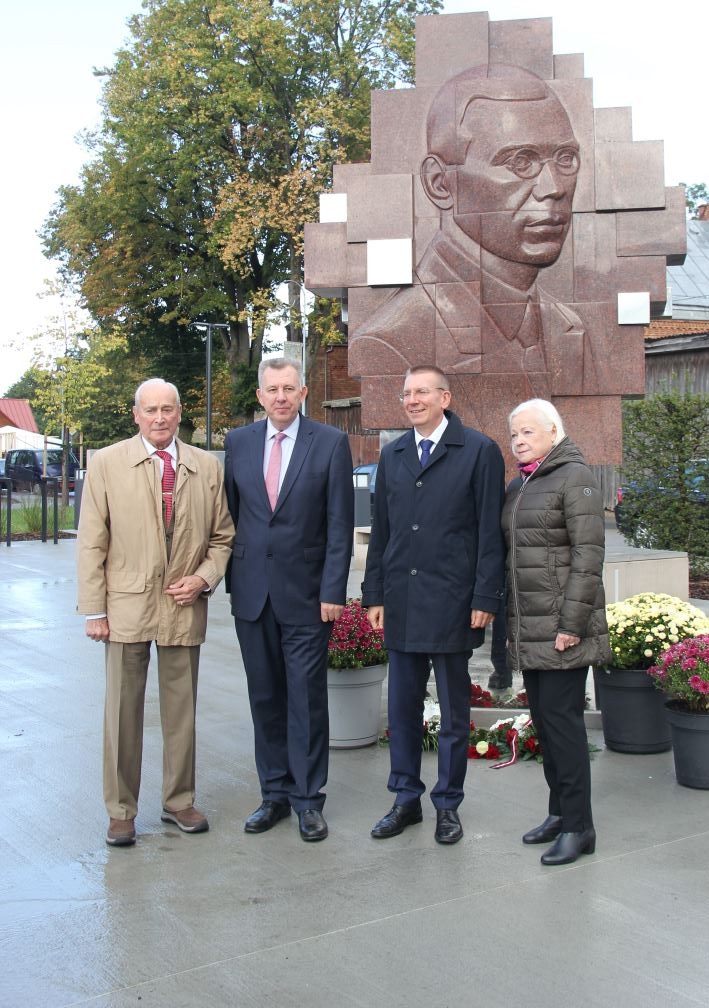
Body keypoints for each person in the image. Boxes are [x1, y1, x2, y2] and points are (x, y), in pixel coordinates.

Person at [349, 64, 628, 397]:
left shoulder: (567, 327)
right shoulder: (388, 343)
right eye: (520, 162)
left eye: (565, 159)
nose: (553, 188)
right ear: (440, 183)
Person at [78, 378, 234, 847]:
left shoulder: (205, 466)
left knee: (181, 711)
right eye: (151, 410)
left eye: (168, 409)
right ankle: (120, 810)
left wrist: (204, 578)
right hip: (126, 604)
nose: (160, 418)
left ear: (180, 413)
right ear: (136, 415)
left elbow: (223, 536)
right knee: (123, 712)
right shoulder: (106, 464)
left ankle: (179, 801)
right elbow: (91, 540)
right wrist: (93, 610)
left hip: (183, 605)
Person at [363, 366, 506, 845]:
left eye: (421, 392)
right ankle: (405, 799)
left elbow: (490, 533)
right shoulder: (394, 453)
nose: (412, 400)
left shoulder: (479, 451)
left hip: (453, 603)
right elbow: (381, 531)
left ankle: (448, 804)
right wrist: (374, 594)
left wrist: (486, 596)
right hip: (401, 603)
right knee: (401, 710)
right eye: (406, 393)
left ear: (444, 397)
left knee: (453, 713)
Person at [224, 358, 354, 843]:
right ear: (260, 396)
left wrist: (333, 591)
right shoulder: (237, 444)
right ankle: (274, 794)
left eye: (289, 388)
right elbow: (235, 517)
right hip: (253, 594)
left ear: (303, 393)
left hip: (307, 597)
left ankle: (307, 799)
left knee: (305, 698)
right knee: (265, 699)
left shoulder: (330, 443)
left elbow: (340, 525)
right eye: (271, 389)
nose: (280, 397)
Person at [501, 398, 611, 866]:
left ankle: (580, 827)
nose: (519, 441)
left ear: (553, 431)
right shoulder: (523, 483)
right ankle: (558, 813)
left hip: (563, 629)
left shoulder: (575, 477)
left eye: (528, 432)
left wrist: (571, 625)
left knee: (563, 727)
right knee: (546, 724)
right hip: (531, 626)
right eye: (513, 434)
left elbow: (588, 558)